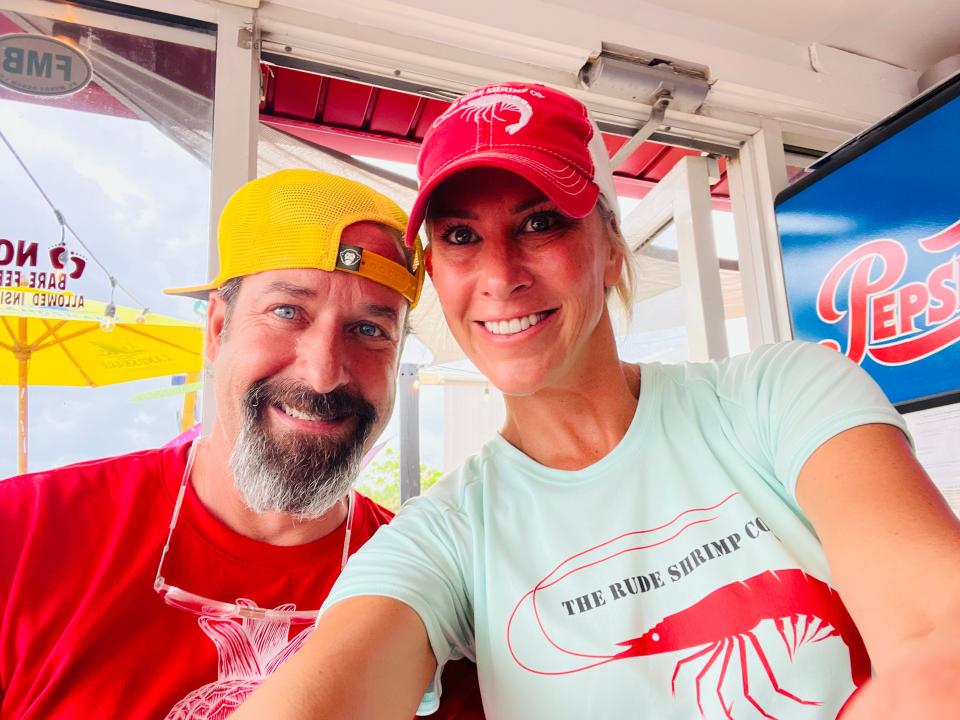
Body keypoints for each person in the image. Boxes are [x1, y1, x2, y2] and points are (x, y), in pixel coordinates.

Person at [233, 86, 960, 719]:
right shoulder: (442, 537)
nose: (499, 274)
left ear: (611, 248)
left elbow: (938, 622)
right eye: (460, 236)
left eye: (540, 222)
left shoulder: (782, 394)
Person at [0, 169, 481, 719]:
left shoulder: (435, 597)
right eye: (286, 312)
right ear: (217, 328)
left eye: (370, 330)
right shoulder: (23, 534)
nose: (323, 373)